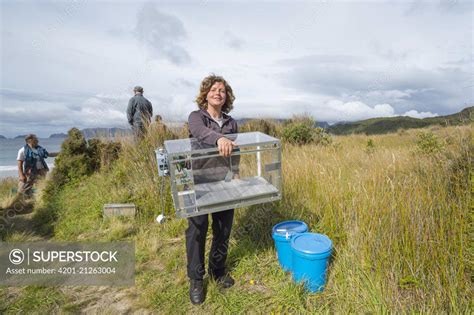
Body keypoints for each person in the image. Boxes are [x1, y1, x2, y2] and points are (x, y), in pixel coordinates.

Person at [186, 74, 239, 305]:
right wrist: (219, 139)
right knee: (197, 231)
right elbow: (200, 133)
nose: (218, 93)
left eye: (222, 91)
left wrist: (235, 172)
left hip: (224, 182)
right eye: (214, 90)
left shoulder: (232, 122)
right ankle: (196, 279)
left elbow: (235, 151)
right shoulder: (197, 118)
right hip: (198, 181)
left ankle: (217, 271)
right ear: (206, 94)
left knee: (223, 229)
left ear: (226, 97)